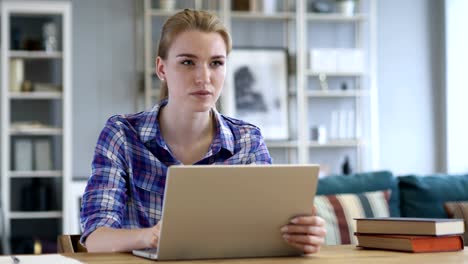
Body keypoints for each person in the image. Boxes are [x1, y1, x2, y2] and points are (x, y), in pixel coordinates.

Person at [80, 9, 326, 254]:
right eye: (188, 62)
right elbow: (96, 238)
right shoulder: (122, 134)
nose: (204, 77)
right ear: (162, 69)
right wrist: (152, 236)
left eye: (216, 63)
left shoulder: (248, 141)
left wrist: (302, 235)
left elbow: (267, 233)